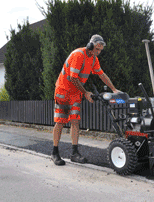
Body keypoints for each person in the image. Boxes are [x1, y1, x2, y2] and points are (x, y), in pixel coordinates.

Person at [51, 34, 122, 166]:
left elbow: (101, 74)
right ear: (90, 46)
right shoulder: (79, 55)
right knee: (60, 122)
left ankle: (74, 153)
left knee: (75, 121)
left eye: (100, 50)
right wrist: (86, 93)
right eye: (97, 49)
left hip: (76, 93)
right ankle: (55, 152)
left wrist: (114, 90)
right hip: (63, 91)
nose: (98, 52)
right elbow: (73, 78)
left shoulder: (94, 59)